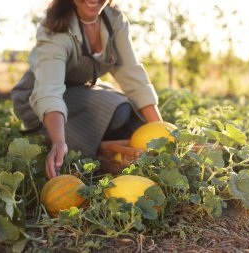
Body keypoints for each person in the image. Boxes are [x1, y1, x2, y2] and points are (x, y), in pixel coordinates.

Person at [10, 0, 163, 179]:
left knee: (136, 122)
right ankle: (47, 134)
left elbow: (133, 76)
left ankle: (95, 144)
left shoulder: (113, 19)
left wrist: (163, 134)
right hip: (36, 99)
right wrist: (59, 142)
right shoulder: (56, 26)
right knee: (119, 111)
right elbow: (48, 90)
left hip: (76, 91)